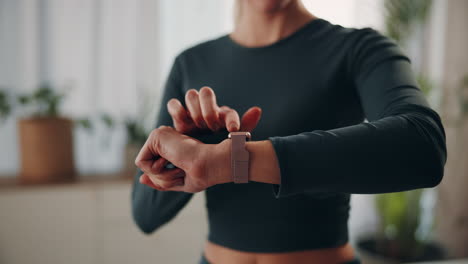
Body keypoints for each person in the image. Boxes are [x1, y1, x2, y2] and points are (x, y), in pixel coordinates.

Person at [131, 0, 447, 263]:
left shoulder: (360, 49)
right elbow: (146, 214)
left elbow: (422, 145)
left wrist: (232, 160)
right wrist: (186, 149)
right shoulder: (190, 64)